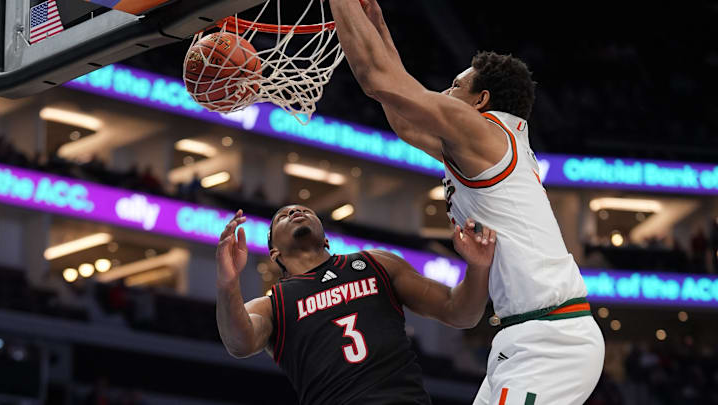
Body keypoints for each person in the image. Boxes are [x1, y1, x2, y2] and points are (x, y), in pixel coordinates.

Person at [328, 1, 605, 404]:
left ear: (480, 102)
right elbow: (402, 118)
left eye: (455, 87)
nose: (443, 93)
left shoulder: (483, 135)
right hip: (523, 336)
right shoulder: (485, 144)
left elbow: (379, 82)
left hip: (553, 341)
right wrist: (380, 31)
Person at [215, 205, 496, 404]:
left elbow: (460, 311)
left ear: (325, 238)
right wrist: (228, 283)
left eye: (304, 210)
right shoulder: (272, 304)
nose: (295, 212)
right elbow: (239, 343)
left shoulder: (376, 263)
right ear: (274, 253)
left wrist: (478, 266)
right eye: (282, 217)